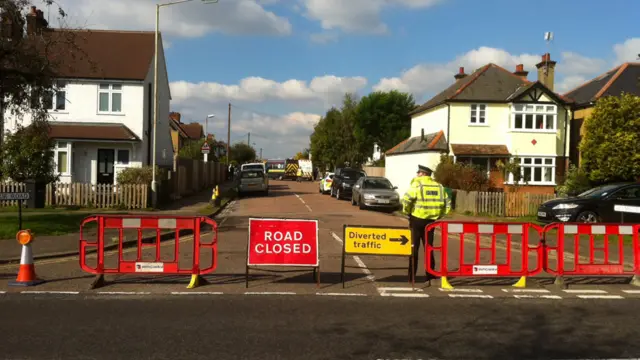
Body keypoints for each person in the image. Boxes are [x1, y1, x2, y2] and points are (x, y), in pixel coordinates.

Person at [402, 164, 451, 284]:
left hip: (416, 219)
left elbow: (407, 199)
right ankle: (430, 275)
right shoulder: (439, 186)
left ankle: (411, 276)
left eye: (418, 172)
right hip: (431, 222)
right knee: (429, 248)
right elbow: (448, 203)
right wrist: (440, 215)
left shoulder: (417, 184)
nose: (417, 174)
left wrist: (406, 211)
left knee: (414, 248)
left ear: (423, 174)